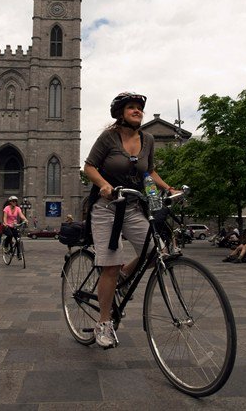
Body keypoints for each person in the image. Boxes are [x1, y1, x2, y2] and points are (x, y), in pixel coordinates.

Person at [84, 91, 176, 349]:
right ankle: (104, 323)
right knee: (110, 264)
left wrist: (168, 188)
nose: (137, 111)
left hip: (133, 207)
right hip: (107, 208)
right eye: (131, 107)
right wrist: (103, 184)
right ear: (120, 114)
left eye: (139, 108)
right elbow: (89, 166)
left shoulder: (148, 139)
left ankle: (124, 277)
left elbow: (149, 172)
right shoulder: (109, 137)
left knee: (157, 251)